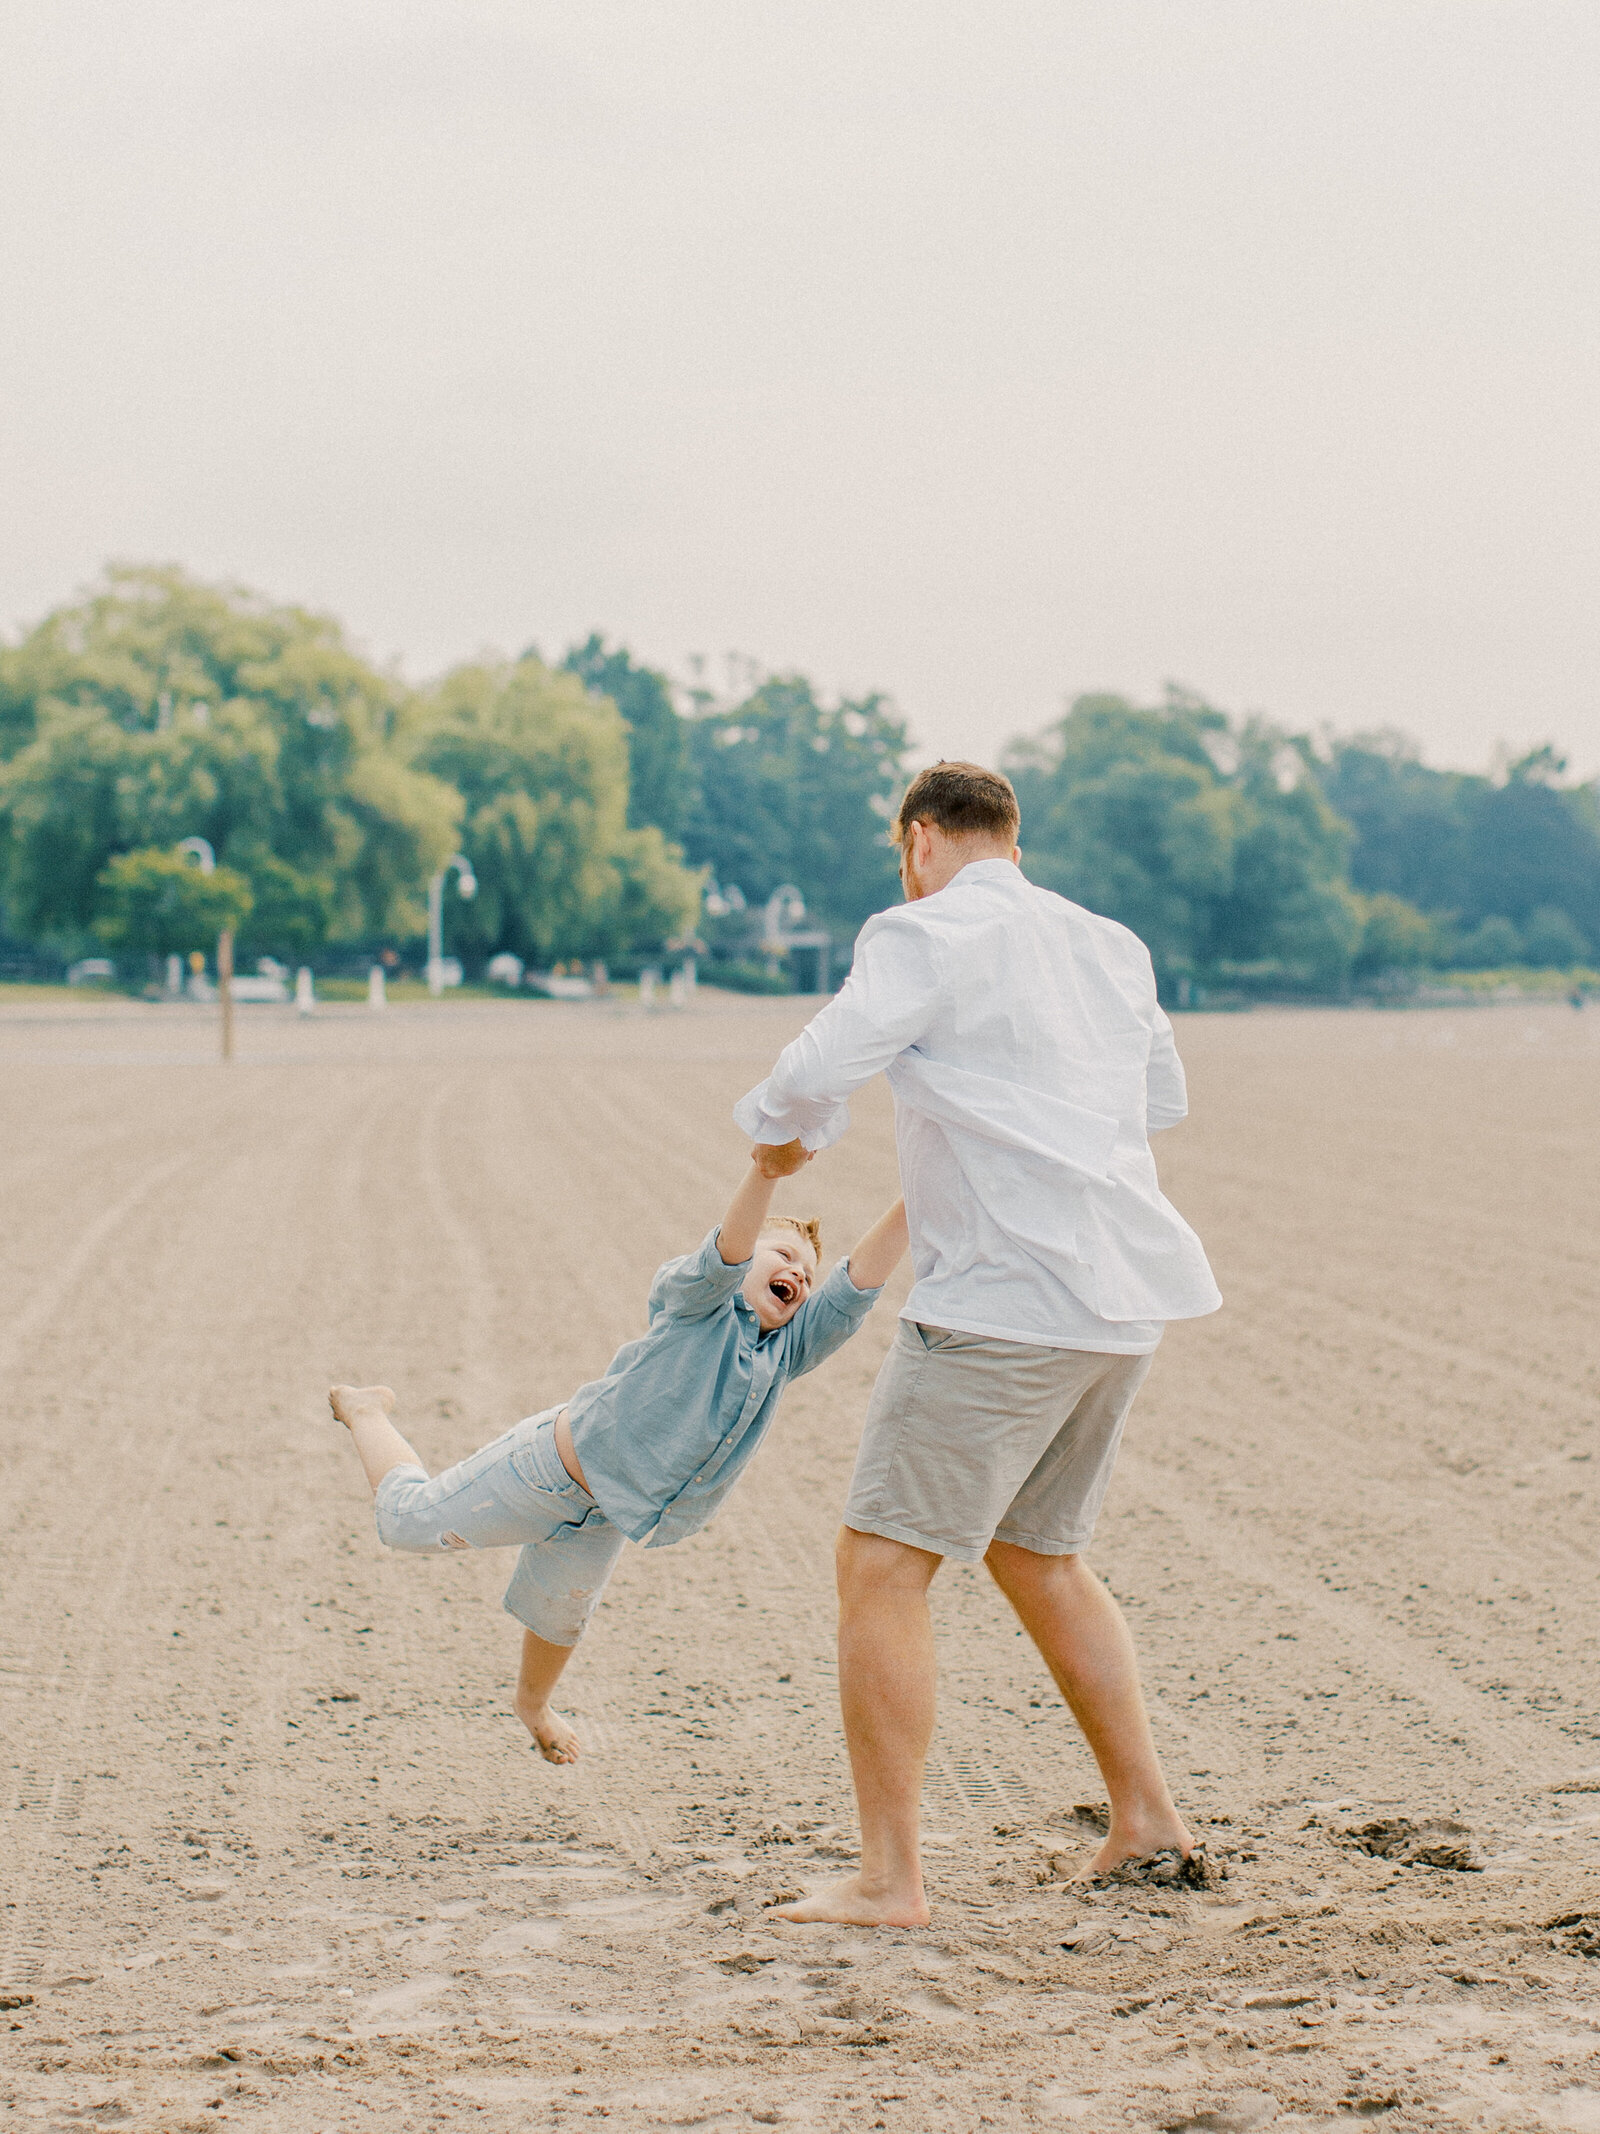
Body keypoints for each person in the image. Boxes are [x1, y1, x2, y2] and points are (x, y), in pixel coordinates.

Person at [733, 760, 1222, 1928]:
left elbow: (816, 1066)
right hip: (1117, 1300)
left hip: (1004, 1299)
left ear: (919, 840)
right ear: (1012, 836)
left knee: (879, 1565)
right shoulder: (1108, 940)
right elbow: (1159, 1101)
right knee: (1033, 1551)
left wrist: (776, 1144)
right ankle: (1145, 1818)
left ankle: (888, 1878)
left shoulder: (922, 930)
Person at [330, 1159, 908, 1765]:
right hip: (545, 1472)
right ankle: (368, 1412)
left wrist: (914, 1200)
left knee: (558, 1619)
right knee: (403, 1522)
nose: (798, 1272)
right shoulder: (699, 1306)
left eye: (806, 1275)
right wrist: (766, 1173)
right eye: (784, 1253)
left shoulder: (783, 1354)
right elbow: (727, 1254)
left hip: (607, 1514)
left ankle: (532, 1706)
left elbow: (853, 1290)